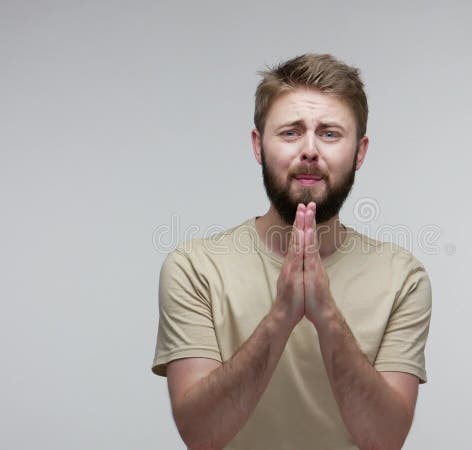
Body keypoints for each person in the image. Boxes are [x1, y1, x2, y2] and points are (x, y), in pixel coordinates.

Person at [151, 53, 432, 450]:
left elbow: (385, 439)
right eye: (290, 132)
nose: (310, 150)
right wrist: (281, 317)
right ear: (258, 146)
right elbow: (200, 435)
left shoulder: (403, 277)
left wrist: (327, 316)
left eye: (330, 133)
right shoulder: (194, 268)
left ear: (360, 152)